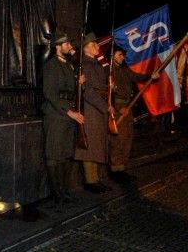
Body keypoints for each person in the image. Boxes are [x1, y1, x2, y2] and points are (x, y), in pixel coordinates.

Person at [42, 32, 85, 207]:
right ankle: (57, 195)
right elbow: (50, 93)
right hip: (56, 115)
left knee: (67, 155)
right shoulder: (51, 66)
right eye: (66, 44)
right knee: (54, 156)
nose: (70, 46)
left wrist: (78, 83)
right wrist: (70, 112)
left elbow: (70, 91)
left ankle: (65, 191)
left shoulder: (69, 66)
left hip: (68, 115)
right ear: (57, 46)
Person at [109, 45, 158, 183]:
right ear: (112, 56)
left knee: (127, 137)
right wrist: (118, 109)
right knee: (117, 139)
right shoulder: (108, 71)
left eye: (122, 55)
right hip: (117, 108)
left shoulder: (124, 69)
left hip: (127, 106)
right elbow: (106, 93)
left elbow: (137, 77)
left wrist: (150, 76)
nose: (122, 57)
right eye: (119, 55)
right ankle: (115, 169)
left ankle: (122, 168)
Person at [74, 32, 112, 193]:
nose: (98, 47)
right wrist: (104, 107)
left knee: (97, 145)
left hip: (99, 109)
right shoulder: (86, 65)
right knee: (89, 146)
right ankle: (90, 181)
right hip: (91, 110)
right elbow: (88, 91)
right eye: (95, 45)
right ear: (86, 48)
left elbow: (101, 89)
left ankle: (96, 179)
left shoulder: (96, 64)